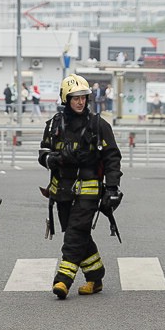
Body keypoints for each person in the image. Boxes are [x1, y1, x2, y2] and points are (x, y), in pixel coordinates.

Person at [39, 74, 123, 299]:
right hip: (62, 191)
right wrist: (54, 159)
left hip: (89, 190)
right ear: (66, 99)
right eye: (75, 98)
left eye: (84, 98)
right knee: (78, 234)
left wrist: (112, 188)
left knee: (75, 234)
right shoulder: (55, 125)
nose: (80, 102)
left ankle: (63, 280)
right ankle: (96, 277)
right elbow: (43, 154)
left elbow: (112, 158)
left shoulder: (99, 125)